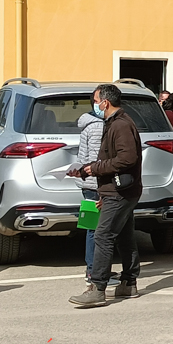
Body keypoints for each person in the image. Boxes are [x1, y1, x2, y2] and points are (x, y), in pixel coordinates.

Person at [69, 84, 144, 308]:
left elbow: (127, 158)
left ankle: (97, 288)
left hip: (121, 191)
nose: (94, 105)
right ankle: (128, 283)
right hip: (117, 190)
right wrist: (90, 174)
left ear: (105, 102)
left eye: (95, 101)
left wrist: (95, 168)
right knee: (124, 237)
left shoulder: (120, 125)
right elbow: (114, 159)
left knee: (102, 236)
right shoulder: (114, 123)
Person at [67, 107, 108, 284]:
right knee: (96, 230)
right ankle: (93, 271)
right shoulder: (98, 127)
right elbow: (97, 160)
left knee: (94, 228)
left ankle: (93, 269)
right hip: (96, 184)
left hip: (90, 183)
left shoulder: (89, 124)